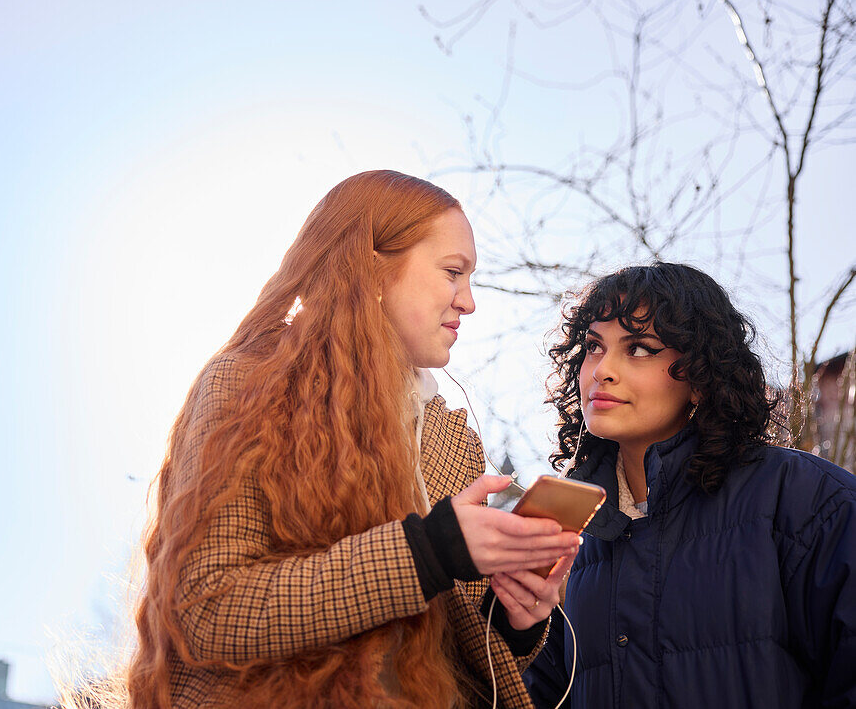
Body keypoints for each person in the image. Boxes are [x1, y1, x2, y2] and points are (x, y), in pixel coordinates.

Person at [125, 170, 581, 709]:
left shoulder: (447, 436)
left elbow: (456, 657)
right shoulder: (249, 384)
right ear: (372, 269)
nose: (469, 302)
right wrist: (427, 552)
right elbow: (207, 610)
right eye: (453, 272)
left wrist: (514, 619)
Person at [522, 262, 856, 708]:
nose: (603, 370)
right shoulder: (566, 534)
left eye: (639, 348)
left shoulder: (809, 500)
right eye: (593, 346)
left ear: (701, 376)